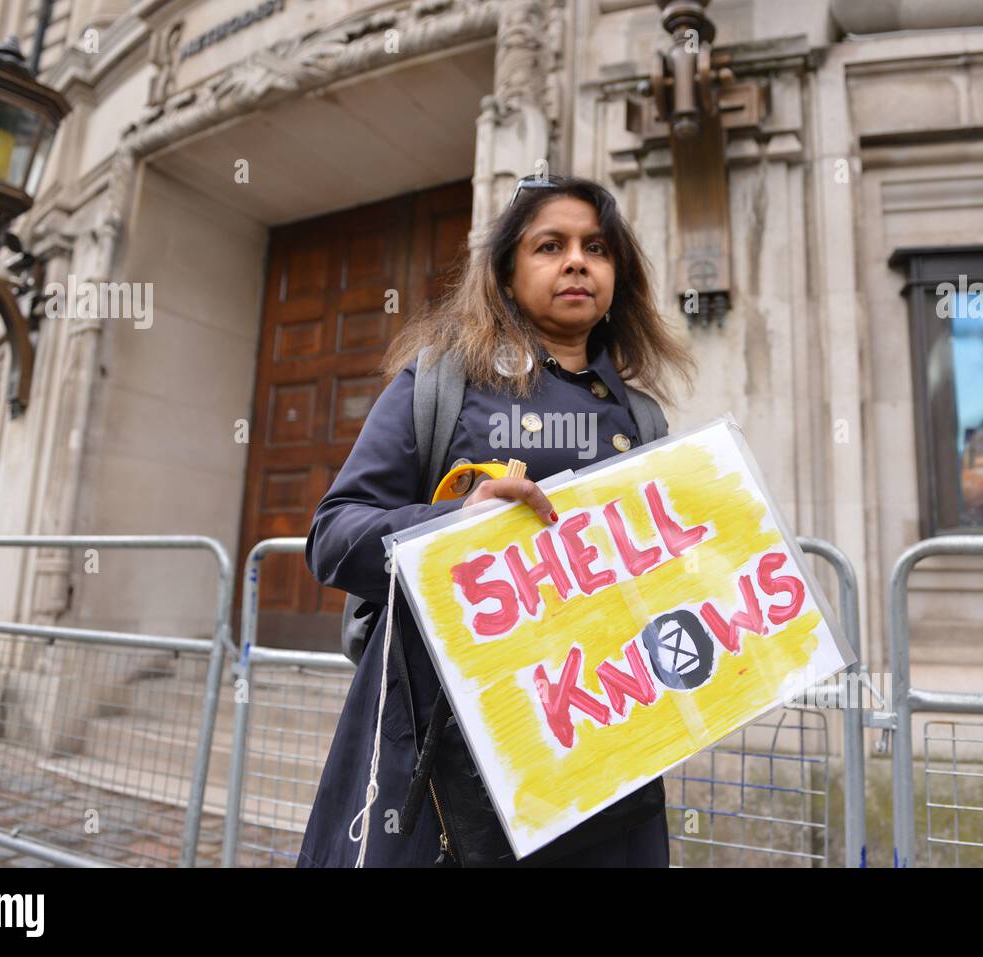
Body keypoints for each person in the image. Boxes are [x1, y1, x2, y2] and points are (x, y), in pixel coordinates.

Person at [297, 174, 696, 867]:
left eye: (596, 247)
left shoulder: (643, 419)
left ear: (616, 278)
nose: (577, 261)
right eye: (550, 245)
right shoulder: (440, 385)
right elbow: (332, 535)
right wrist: (454, 524)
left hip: (606, 744)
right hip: (442, 748)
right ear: (507, 277)